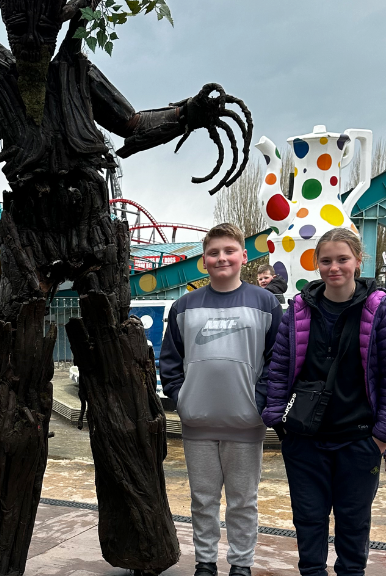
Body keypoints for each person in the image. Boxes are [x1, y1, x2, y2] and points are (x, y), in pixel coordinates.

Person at [259, 228, 386, 576]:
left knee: (354, 523)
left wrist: (382, 438)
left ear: (358, 261)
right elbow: (280, 366)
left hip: (359, 439)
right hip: (305, 441)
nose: (335, 267)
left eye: (342, 259)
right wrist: (278, 421)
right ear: (317, 264)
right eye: (327, 260)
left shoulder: (381, 312)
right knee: (308, 519)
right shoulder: (299, 311)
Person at [158, 223, 283, 576]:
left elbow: (278, 358)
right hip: (198, 422)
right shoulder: (183, 306)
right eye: (213, 253)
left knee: (243, 502)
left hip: (246, 422)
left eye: (229, 251)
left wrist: (261, 402)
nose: (221, 258)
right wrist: (181, 398)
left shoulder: (265, 302)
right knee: (203, 500)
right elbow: (170, 360)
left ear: (244, 256)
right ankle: (205, 562)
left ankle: (241, 563)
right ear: (203, 261)